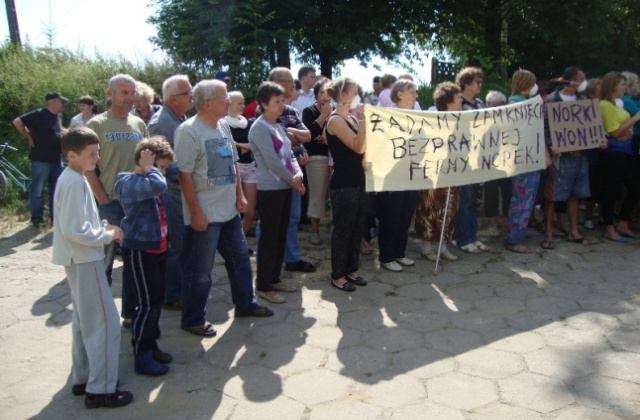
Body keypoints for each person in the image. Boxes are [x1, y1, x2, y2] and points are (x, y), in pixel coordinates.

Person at [175, 79, 273, 338]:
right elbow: (184, 175)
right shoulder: (188, 131)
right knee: (201, 272)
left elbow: (233, 165)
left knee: (240, 260)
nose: (228, 101)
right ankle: (193, 319)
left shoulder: (223, 127)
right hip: (205, 215)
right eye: (224, 97)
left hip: (228, 211)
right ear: (207, 103)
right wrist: (195, 211)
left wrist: (239, 195)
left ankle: (245, 304)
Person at [52, 126, 133, 409]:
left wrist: (101, 227)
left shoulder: (73, 177)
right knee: (105, 324)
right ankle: (101, 390)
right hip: (84, 259)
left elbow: (79, 222)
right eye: (90, 154)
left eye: (98, 152)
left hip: (79, 258)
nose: (96, 158)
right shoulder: (74, 181)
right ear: (71, 154)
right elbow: (75, 230)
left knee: (84, 321)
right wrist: (109, 235)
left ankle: (84, 377)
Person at [86, 74, 148, 327]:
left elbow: (146, 159)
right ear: (110, 93)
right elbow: (87, 166)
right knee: (105, 261)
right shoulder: (96, 125)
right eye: (124, 92)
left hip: (136, 203)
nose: (130, 97)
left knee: (134, 261)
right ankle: (99, 313)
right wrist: (101, 196)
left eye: (132, 92)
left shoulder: (138, 124)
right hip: (110, 202)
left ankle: (130, 314)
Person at [115, 137, 176, 376]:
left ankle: (151, 345)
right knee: (147, 304)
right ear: (144, 160)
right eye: (159, 166)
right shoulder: (128, 182)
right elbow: (158, 186)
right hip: (140, 250)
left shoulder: (153, 179)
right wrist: (151, 168)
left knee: (156, 300)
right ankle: (141, 354)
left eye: (162, 168)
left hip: (158, 247)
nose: (162, 172)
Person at [250, 82, 305, 304]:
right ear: (264, 104)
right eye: (277, 102)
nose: (282, 105)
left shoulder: (278, 127)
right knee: (269, 238)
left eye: (283, 100)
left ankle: (274, 278)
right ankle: (264, 285)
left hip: (284, 186)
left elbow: (290, 155)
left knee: (281, 235)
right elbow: (272, 161)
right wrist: (293, 180)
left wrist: (298, 173)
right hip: (270, 189)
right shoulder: (259, 128)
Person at [261, 67, 316, 273]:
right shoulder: (264, 110)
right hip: (273, 177)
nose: (293, 85)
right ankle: (268, 263)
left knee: (292, 217)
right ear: (275, 82)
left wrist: (291, 134)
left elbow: (307, 135)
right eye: (287, 81)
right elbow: (274, 145)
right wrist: (294, 138)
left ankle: (290, 259)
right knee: (270, 221)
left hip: (293, 172)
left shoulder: (291, 111)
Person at [148, 74, 194, 311]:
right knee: (176, 244)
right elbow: (159, 165)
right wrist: (193, 172)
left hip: (182, 189)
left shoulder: (179, 117)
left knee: (183, 242)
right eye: (187, 93)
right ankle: (172, 295)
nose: (192, 96)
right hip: (172, 191)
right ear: (173, 98)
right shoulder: (160, 123)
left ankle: (181, 288)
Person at [541, 66, 596, 249]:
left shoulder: (584, 101)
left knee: (575, 194)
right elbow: (544, 129)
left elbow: (589, 127)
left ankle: (574, 231)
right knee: (552, 196)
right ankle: (548, 233)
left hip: (580, 156)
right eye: (581, 78)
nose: (584, 81)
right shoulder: (550, 101)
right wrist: (551, 146)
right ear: (571, 80)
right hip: (560, 158)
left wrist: (597, 139)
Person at [325, 77, 368, 291]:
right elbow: (358, 146)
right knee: (343, 230)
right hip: (344, 184)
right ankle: (338, 274)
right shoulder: (335, 120)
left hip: (358, 181)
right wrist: (362, 120)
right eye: (354, 91)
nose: (357, 95)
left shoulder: (349, 118)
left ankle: (352, 270)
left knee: (356, 228)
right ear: (342, 95)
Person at [374, 79, 420, 272]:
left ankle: (400, 252)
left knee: (405, 215)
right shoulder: (387, 116)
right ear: (399, 94)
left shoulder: (419, 116)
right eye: (413, 92)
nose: (416, 96)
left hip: (412, 173)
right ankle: (386, 256)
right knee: (390, 216)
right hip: (392, 175)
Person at [415, 82, 461, 262]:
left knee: (449, 207)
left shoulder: (461, 118)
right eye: (457, 97)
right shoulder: (432, 117)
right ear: (448, 100)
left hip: (454, 170)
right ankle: (426, 247)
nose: (461, 100)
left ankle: (443, 246)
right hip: (433, 171)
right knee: (430, 208)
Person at [504, 69, 546, 254]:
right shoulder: (516, 103)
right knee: (521, 198)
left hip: (529, 157)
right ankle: (513, 239)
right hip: (523, 158)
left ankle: (517, 234)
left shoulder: (523, 102)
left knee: (526, 198)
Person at [12, 91, 66, 226]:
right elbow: (17, 122)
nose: (62, 104)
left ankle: (56, 219)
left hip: (56, 159)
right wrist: (29, 136)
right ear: (53, 102)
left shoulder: (58, 116)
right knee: (37, 190)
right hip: (40, 160)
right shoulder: (38, 114)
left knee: (57, 190)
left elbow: (57, 130)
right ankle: (36, 219)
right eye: (61, 101)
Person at [598, 72, 640, 243]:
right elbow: (614, 131)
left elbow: (622, 129)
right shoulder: (605, 105)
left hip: (627, 150)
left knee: (635, 187)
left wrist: (628, 130)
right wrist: (636, 119)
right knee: (612, 189)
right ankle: (609, 227)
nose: (625, 87)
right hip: (614, 153)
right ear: (613, 86)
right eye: (622, 84)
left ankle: (623, 222)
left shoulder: (618, 104)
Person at [454, 67, 492, 254]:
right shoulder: (457, 102)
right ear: (467, 82)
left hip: (479, 159)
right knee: (465, 199)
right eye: (477, 81)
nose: (480, 85)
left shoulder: (479, 103)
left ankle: (473, 235)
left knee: (475, 200)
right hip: (464, 160)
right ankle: (463, 238)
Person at [301, 78, 332, 246]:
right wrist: (324, 115)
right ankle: (314, 230)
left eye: (329, 92)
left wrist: (328, 140)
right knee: (317, 195)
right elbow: (309, 135)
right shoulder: (309, 111)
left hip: (334, 157)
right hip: (316, 157)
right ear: (316, 95)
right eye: (322, 92)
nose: (326, 96)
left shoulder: (337, 111)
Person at [224, 90, 258, 243]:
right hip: (232, 168)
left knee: (250, 211)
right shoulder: (222, 124)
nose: (243, 106)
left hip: (250, 166)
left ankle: (240, 242)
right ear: (229, 104)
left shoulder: (249, 123)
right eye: (240, 103)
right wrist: (242, 146)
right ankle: (236, 245)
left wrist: (238, 145)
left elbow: (256, 144)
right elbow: (225, 147)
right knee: (234, 210)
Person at [480, 90, 512, 238]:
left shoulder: (510, 119)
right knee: (490, 193)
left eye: (497, 105)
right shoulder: (481, 120)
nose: (492, 107)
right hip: (489, 162)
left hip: (507, 161)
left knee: (508, 191)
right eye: (490, 104)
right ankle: (492, 223)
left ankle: (506, 222)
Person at [583, 78, 604, 230]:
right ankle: (588, 217)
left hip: (604, 151)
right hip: (590, 153)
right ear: (591, 94)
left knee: (602, 184)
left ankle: (602, 215)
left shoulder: (607, 106)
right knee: (592, 185)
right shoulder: (584, 108)